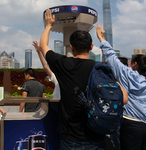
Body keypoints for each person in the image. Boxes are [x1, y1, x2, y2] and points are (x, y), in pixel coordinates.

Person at [38, 9, 128, 150]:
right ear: (91, 47)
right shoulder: (101, 68)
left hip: (70, 138)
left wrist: (49, 25)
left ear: (71, 47)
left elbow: (43, 46)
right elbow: (124, 98)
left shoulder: (63, 64)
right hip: (98, 137)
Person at [96, 24, 146, 150]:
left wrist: (101, 38)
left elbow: (111, 56)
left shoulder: (125, 74)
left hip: (129, 126)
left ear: (134, 64)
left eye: (130, 60)